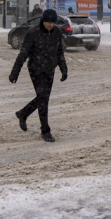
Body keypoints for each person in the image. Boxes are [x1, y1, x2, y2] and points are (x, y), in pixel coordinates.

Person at [9, 9, 68, 142]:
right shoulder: (33, 32)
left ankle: (23, 114)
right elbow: (23, 53)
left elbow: (59, 52)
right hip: (36, 69)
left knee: (43, 98)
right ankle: (45, 130)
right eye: (48, 22)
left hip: (49, 69)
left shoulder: (57, 32)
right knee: (43, 98)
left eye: (53, 23)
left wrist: (63, 69)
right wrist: (15, 72)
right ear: (43, 21)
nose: (51, 25)